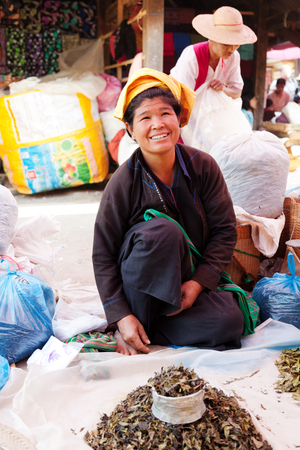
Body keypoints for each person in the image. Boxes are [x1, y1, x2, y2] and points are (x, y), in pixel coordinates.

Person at [93, 68, 258, 356]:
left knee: (230, 322)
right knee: (162, 231)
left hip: (186, 285)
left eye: (165, 113)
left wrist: (197, 284)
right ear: (130, 129)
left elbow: (224, 230)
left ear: (179, 119)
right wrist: (121, 315)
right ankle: (135, 325)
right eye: (145, 117)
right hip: (141, 292)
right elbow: (103, 254)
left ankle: (146, 331)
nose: (157, 124)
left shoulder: (203, 166)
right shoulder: (123, 182)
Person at [169, 6, 257, 147]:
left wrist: (223, 90)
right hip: (181, 117)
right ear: (212, 38)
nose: (232, 49)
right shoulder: (191, 56)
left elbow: (236, 93)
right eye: (226, 44)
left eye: (236, 44)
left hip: (209, 120)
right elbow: (180, 101)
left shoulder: (234, 57)